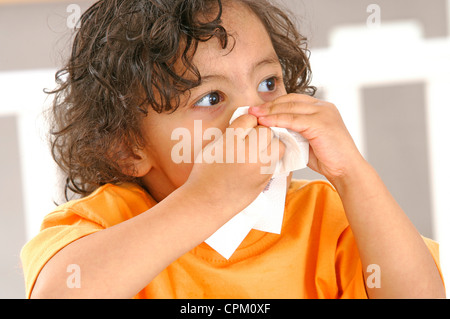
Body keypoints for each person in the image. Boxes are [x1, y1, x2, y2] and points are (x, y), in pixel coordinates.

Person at [21, 0, 445, 299]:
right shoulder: (106, 224)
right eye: (210, 99)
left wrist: (353, 174)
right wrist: (208, 199)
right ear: (128, 147)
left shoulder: (327, 218)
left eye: (267, 84)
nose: (255, 115)